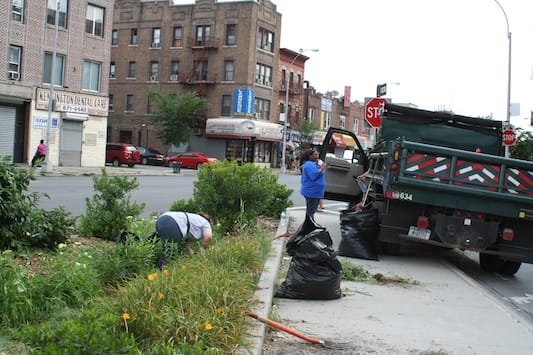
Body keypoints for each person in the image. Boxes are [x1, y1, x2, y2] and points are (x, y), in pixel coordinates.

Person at [300, 148, 327, 224]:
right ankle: (309, 224)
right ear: (310, 156)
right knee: (311, 210)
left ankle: (310, 223)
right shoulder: (309, 165)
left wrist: (320, 166)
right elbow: (313, 175)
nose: (317, 156)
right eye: (315, 154)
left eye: (317, 154)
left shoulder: (314, 164)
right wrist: (321, 168)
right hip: (311, 191)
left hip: (315, 191)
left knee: (312, 209)